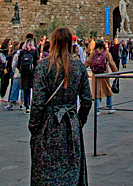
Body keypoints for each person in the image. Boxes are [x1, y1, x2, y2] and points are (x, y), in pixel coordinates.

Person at [29, 27, 92, 186]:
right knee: (72, 168)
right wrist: (78, 121)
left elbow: (37, 102)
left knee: (46, 171)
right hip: (71, 125)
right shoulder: (79, 68)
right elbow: (86, 100)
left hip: (48, 125)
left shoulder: (43, 67)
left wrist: (34, 126)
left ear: (53, 43)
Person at [84, 39, 117, 114]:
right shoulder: (106, 53)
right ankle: (110, 107)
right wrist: (116, 72)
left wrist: (82, 67)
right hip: (104, 73)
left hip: (95, 74)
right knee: (108, 90)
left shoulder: (93, 53)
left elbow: (88, 62)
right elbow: (111, 62)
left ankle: (97, 109)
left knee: (96, 92)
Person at [19, 39, 39, 113]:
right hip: (32, 73)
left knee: (25, 90)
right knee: (34, 89)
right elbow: (37, 62)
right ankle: (33, 103)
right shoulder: (34, 51)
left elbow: (18, 63)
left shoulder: (22, 52)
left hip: (24, 74)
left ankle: (27, 105)